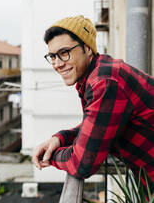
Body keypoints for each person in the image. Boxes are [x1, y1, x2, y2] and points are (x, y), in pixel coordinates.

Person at [32, 15, 154, 195]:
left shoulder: (104, 82)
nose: (57, 64)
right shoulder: (99, 74)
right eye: (52, 56)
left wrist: (51, 156)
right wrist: (60, 139)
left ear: (87, 49)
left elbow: (82, 164)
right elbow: (98, 124)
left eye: (64, 53)